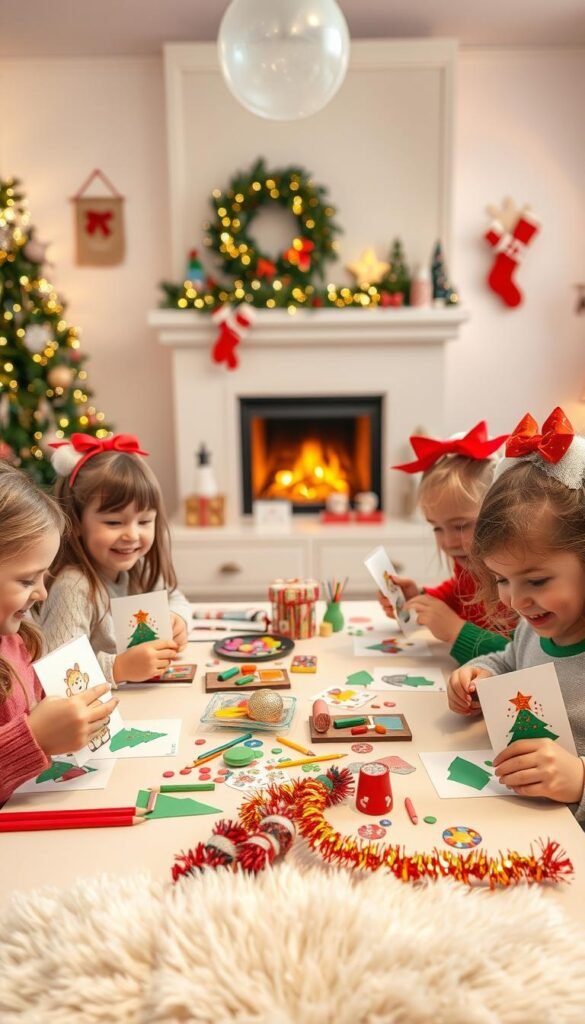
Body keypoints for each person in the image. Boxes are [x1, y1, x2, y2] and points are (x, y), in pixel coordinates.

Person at [447, 407, 585, 821]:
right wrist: (481, 673)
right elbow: (510, 660)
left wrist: (578, 779)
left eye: (537, 581)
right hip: (522, 816)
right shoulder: (535, 628)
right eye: (502, 580)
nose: (515, 602)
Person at [0, 462, 118, 803]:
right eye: (26, 580)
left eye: (42, 576)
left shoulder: (15, 642)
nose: (42, 593)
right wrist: (35, 736)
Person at [34, 433, 190, 686]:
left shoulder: (137, 566)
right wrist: (117, 668)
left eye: (144, 521)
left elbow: (175, 597)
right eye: (114, 522)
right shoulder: (73, 586)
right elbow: (58, 675)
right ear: (75, 522)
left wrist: (177, 619)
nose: (132, 535)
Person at [381, 420, 514, 663]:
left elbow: (523, 659)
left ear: (499, 514)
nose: (448, 541)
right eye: (436, 528)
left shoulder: (519, 579)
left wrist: (456, 631)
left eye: (461, 525)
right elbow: (460, 592)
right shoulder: (470, 561)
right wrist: (422, 597)